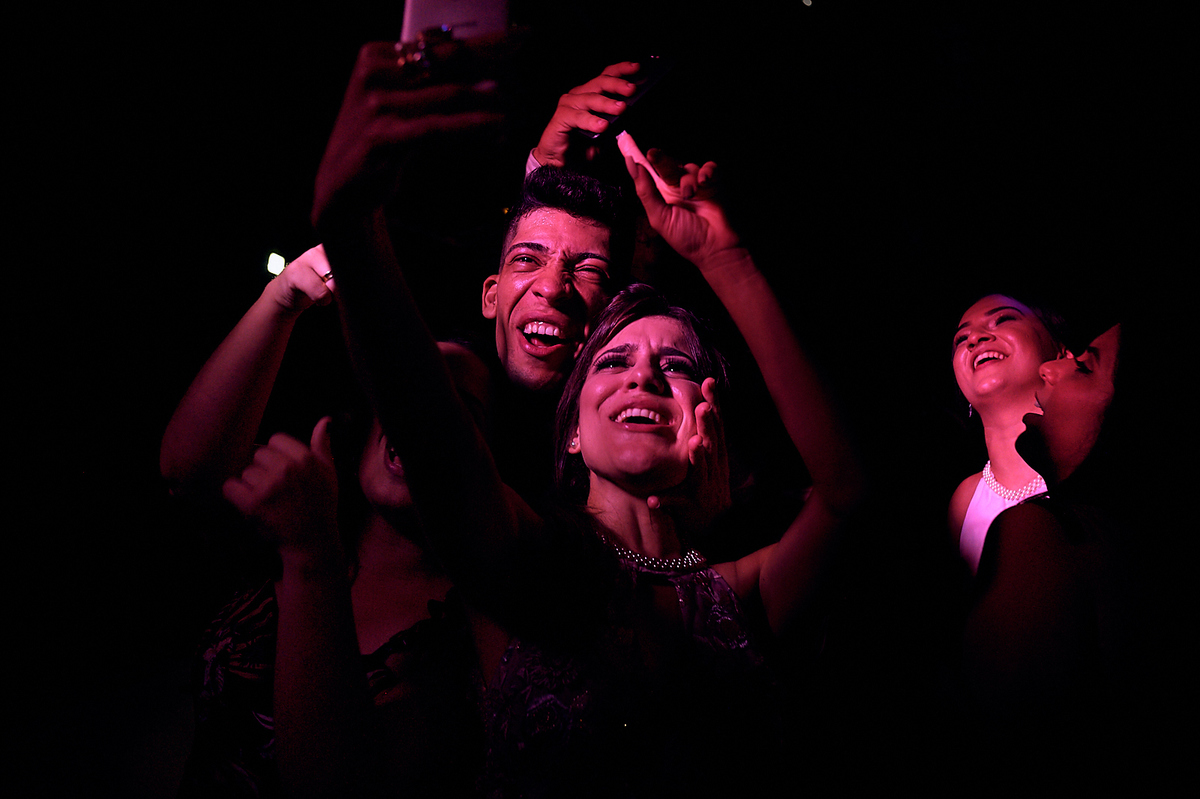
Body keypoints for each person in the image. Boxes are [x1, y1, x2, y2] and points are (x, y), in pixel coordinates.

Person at [311, 39, 864, 792]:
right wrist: (352, 226)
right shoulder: (526, 557)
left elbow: (850, 491)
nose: (643, 372)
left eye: (676, 365)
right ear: (570, 426)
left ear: (709, 413)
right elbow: (427, 418)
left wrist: (727, 261)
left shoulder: (746, 588)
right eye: (614, 360)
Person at [947, 294, 1067, 573]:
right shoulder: (964, 503)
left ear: (1061, 353)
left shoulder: (1094, 475)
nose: (974, 338)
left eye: (1003, 319)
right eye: (961, 339)